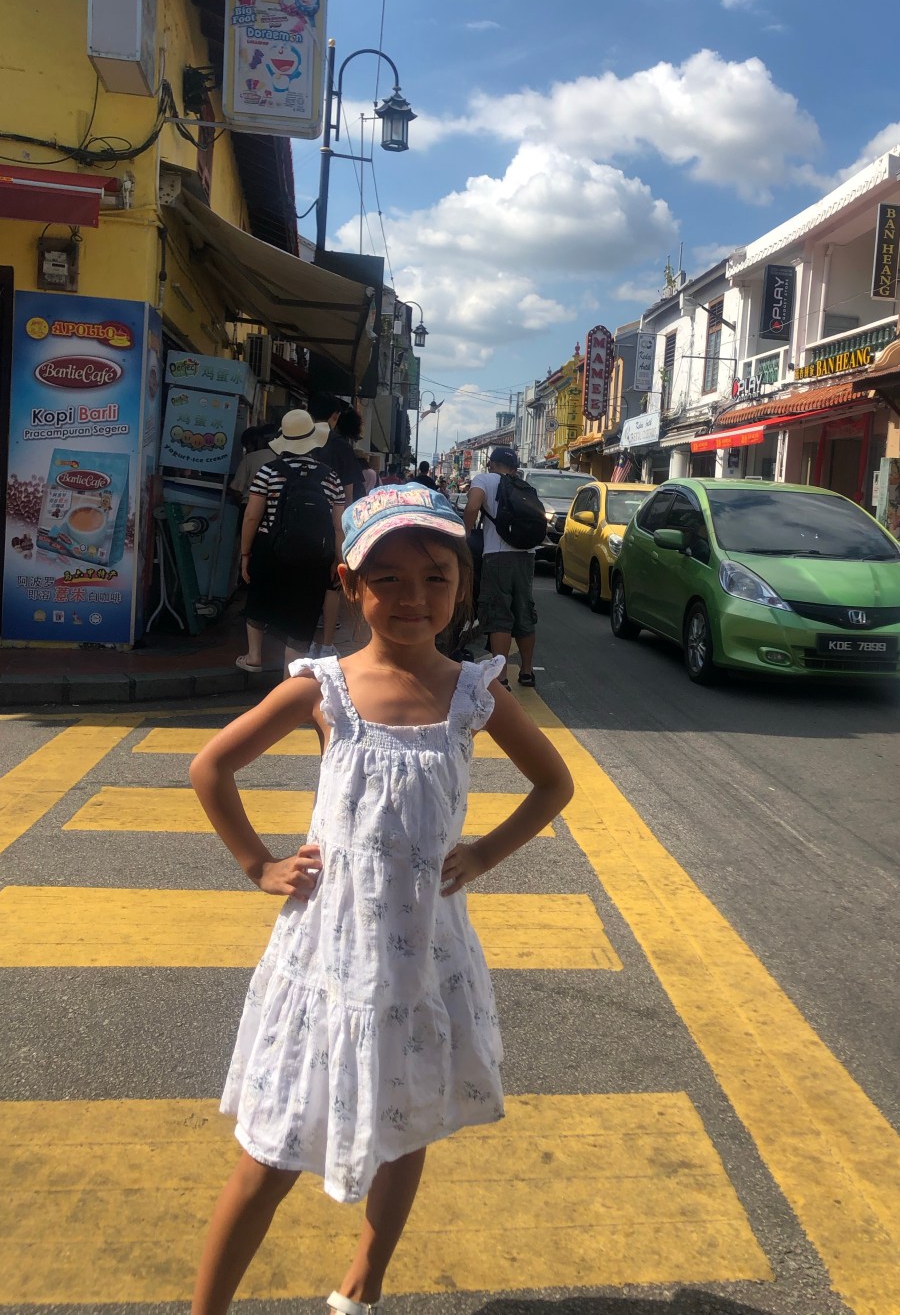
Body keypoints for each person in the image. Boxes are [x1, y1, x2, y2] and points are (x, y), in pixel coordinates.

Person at [188, 483, 574, 1315]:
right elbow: (210, 767)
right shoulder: (321, 689)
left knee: (407, 1121)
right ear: (350, 583)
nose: (413, 597)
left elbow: (554, 783)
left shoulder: (475, 693)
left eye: (436, 578)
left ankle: (365, 1281)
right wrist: (258, 865)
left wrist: (484, 853)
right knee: (271, 1148)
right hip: (326, 956)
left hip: (424, 957)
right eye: (388, 578)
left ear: (463, 588)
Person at [237, 409, 345, 676]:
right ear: (313, 441)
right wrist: (337, 558)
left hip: (270, 549)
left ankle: (254, 657)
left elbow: (252, 516)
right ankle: (290, 675)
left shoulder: (268, 471)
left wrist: (245, 553)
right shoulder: (331, 477)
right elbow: (338, 525)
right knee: (303, 614)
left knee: (259, 599)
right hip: (314, 556)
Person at [464, 446, 538, 691]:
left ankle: (501, 678)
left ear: (491, 464)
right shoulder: (523, 485)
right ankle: (527, 672)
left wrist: (465, 535)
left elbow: (472, 507)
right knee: (524, 612)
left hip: (497, 556)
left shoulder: (484, 479)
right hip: (527, 555)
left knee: (499, 616)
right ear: (514, 467)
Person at [316, 404, 371, 655]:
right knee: (332, 582)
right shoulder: (341, 448)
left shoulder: (311, 443)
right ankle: (327, 645)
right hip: (335, 522)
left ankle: (302, 639)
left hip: (304, 522)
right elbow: (348, 495)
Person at [229, 423, 277, 505]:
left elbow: (236, 489)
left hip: (250, 503)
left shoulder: (249, 458)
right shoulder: (280, 457)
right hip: (273, 506)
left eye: (247, 446)